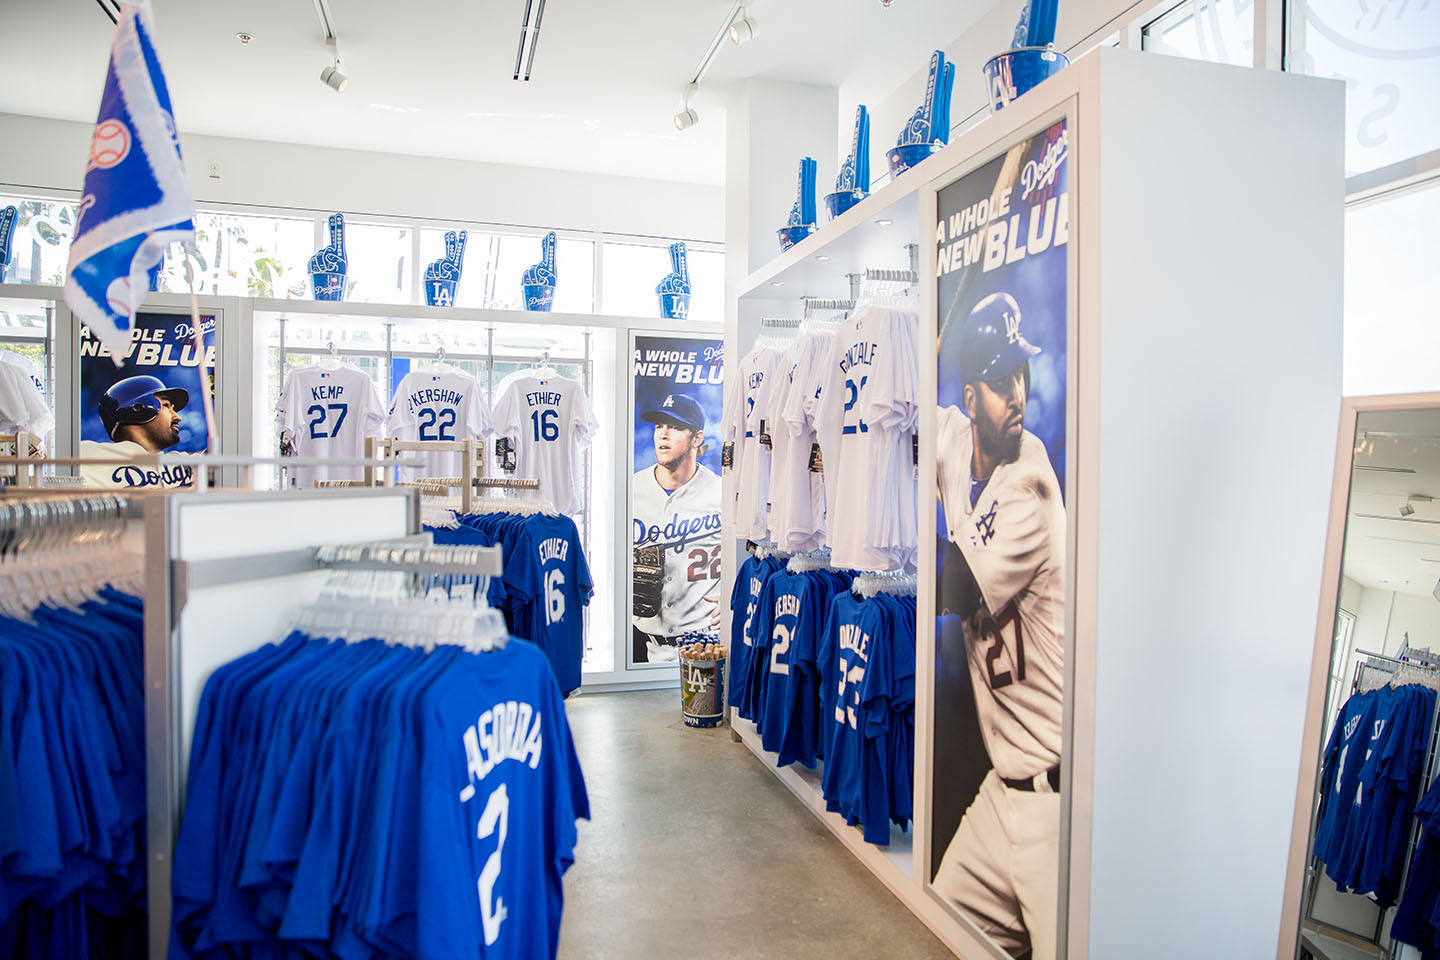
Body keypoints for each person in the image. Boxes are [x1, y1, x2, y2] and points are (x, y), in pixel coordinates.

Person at [932, 292, 1066, 960]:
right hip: (1000, 793)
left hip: (1054, 804)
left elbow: (952, 587)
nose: (1015, 393)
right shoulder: (957, 442)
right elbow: (912, 423)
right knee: (943, 922)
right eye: (998, 378)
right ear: (968, 392)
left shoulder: (1031, 486)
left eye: (1020, 374)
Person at [631, 392, 722, 663]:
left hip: (705, 642)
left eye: (675, 426)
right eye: (659, 426)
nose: (663, 434)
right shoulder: (632, 489)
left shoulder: (720, 492)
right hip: (642, 643)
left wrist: (732, 595)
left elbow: (745, 555)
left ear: (697, 438)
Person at [79, 375, 197, 488]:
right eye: (166, 406)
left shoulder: (181, 464)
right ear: (138, 408)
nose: (177, 417)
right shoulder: (88, 454)